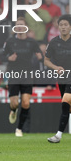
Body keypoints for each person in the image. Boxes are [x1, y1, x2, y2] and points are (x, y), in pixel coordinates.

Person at [3, 17, 42, 137]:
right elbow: (3, 56)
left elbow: (40, 54)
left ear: (26, 27)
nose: (19, 26)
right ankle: (13, 110)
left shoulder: (32, 42)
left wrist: (41, 58)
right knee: (14, 103)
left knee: (25, 103)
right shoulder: (10, 42)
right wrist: (9, 58)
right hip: (14, 75)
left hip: (27, 75)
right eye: (17, 25)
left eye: (22, 24)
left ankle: (19, 128)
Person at [46, 15, 71, 143]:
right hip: (62, 78)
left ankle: (58, 135)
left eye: (66, 24)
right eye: (61, 25)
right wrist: (55, 67)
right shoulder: (54, 42)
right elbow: (46, 60)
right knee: (67, 108)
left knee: (65, 102)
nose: (63, 27)